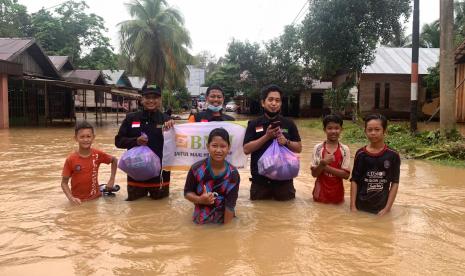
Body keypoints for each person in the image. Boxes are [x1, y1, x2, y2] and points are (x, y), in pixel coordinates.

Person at [243, 84, 302, 201]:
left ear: (280, 104)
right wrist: (267, 136)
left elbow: (299, 148)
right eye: (270, 100)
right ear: (263, 103)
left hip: (284, 182)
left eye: (277, 100)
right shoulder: (254, 124)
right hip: (260, 183)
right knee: (260, 216)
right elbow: (246, 149)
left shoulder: (289, 124)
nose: (274, 103)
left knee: (285, 216)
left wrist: (286, 142)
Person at [115, 85, 174, 201]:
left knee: (161, 211)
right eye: (147, 97)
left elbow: (175, 145)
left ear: (160, 100)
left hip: (160, 177)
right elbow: (118, 141)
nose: (151, 100)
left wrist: (171, 131)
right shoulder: (130, 118)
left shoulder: (167, 120)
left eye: (155, 97)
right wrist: (135, 141)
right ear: (141, 99)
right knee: (135, 213)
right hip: (135, 175)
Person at [184, 128, 240, 224]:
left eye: (223, 146)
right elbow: (187, 193)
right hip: (200, 219)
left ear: (228, 148)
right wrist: (200, 199)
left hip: (223, 219)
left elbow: (230, 206)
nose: (218, 150)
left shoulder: (233, 174)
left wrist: (226, 232)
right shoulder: (196, 169)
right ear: (207, 146)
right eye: (214, 146)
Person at [350, 114, 401, 216]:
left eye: (377, 129)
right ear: (365, 132)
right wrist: (353, 207)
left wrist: (387, 209)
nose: (373, 133)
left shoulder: (393, 155)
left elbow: (395, 183)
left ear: (384, 131)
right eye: (370, 130)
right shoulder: (361, 154)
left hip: (381, 208)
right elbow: (354, 180)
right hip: (360, 206)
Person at [61, 121, 118, 204]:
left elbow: (114, 160)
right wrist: (71, 198)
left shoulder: (97, 155)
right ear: (76, 138)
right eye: (82, 137)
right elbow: (64, 183)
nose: (85, 139)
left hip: (96, 199)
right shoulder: (71, 159)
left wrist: (112, 179)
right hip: (78, 201)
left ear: (93, 137)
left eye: (88, 136)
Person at [311, 114, 350, 204]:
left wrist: (324, 166)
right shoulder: (318, 148)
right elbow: (314, 174)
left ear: (341, 129)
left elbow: (346, 175)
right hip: (319, 195)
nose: (333, 131)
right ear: (324, 130)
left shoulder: (344, 149)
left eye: (336, 128)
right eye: (329, 128)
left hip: (337, 195)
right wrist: (323, 163)